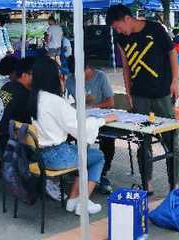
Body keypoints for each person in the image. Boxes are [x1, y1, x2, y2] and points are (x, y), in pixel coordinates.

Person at [106, 4, 179, 195]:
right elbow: (126, 66)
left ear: (127, 19)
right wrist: (128, 92)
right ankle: (147, 183)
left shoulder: (155, 29)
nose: (118, 31)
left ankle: (174, 185)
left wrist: (174, 81)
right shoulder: (121, 38)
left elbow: (172, 53)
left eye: (118, 26)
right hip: (139, 95)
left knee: (171, 139)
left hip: (162, 92)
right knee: (143, 140)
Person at [29, 56, 117, 215]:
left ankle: (73, 200)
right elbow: (80, 128)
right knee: (97, 157)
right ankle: (83, 202)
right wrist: (102, 120)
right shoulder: (55, 101)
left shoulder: (35, 97)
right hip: (58, 157)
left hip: (41, 156)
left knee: (83, 154)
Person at [65, 56, 116, 195]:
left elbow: (110, 102)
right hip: (79, 120)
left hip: (101, 118)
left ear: (88, 68)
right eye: (75, 74)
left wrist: (93, 106)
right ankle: (78, 169)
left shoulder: (100, 77)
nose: (77, 77)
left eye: (80, 73)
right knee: (71, 137)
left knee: (108, 139)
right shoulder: (70, 80)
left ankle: (102, 173)